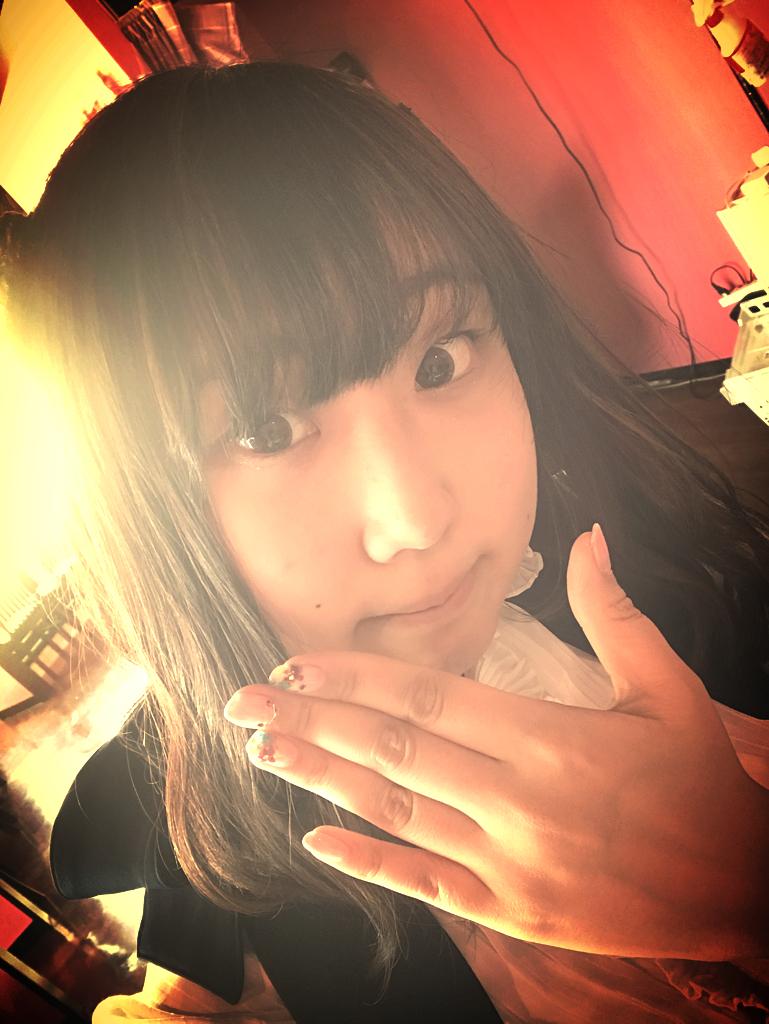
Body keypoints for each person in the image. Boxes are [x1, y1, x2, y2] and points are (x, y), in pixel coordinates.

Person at [2, 61, 769, 1023]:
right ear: (143, 510)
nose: (416, 520)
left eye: (438, 361)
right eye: (264, 429)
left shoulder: (686, 577)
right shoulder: (221, 865)